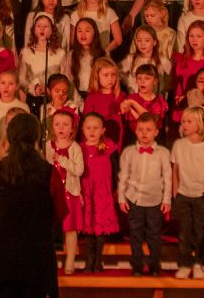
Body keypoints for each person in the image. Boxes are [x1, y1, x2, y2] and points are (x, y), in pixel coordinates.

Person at [0, 112, 67, 298]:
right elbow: (61, 212)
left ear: (9, 136)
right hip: (36, 258)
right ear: (36, 137)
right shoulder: (49, 173)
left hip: (1, 257)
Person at [118, 112, 171, 277]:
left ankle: (155, 266)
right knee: (136, 235)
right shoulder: (129, 152)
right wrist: (121, 198)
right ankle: (137, 266)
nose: (144, 133)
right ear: (135, 130)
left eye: (148, 129)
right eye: (140, 129)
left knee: (154, 235)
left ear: (156, 132)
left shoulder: (163, 153)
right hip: (134, 199)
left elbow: (168, 178)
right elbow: (123, 177)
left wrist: (167, 199)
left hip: (155, 200)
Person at [170, 106, 204, 279]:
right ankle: (185, 263)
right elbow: (175, 170)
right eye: (183, 121)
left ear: (200, 124)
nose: (185, 124)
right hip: (183, 195)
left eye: (189, 121)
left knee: (200, 232)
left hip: (200, 197)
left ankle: (198, 263)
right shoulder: (179, 145)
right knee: (185, 232)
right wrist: (175, 192)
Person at [75, 112, 119, 274]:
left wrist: (116, 190)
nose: (92, 131)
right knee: (88, 227)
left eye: (96, 128)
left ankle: (98, 260)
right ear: (82, 129)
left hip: (102, 193)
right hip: (86, 192)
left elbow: (116, 171)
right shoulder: (78, 148)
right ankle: (89, 260)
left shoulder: (110, 147)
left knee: (99, 227)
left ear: (103, 130)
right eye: (88, 128)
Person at [45, 109, 85, 274]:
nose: (61, 128)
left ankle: (70, 260)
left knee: (70, 228)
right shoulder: (48, 146)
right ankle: (50, 261)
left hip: (69, 193)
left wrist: (62, 160)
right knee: (50, 228)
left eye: (65, 125)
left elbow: (79, 170)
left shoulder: (75, 147)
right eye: (57, 124)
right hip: (52, 193)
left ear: (72, 128)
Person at [0, 69, 28, 141]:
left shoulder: (23, 107)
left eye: (11, 84)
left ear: (17, 86)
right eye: (3, 83)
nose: (6, 87)